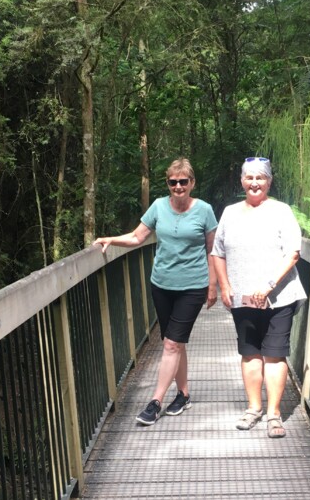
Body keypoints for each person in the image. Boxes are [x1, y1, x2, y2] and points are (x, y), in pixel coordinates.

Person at [94, 158, 217, 426]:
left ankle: (155, 401)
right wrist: (110, 239)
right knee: (175, 341)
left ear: (192, 183)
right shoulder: (159, 206)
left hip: (192, 287)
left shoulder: (205, 211)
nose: (178, 186)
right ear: (168, 184)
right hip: (161, 284)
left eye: (183, 181)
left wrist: (212, 285)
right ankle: (183, 395)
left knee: (171, 343)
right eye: (173, 182)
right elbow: (138, 237)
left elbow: (212, 250)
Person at [211, 156, 306, 438]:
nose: (254, 183)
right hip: (242, 297)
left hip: (279, 296)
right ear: (241, 181)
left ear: (269, 181)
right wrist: (224, 286)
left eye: (260, 178)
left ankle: (274, 414)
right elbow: (218, 252)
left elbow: (293, 252)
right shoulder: (229, 212)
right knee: (250, 352)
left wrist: (267, 286)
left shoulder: (281, 211)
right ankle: (254, 408)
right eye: (249, 177)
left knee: (274, 355)